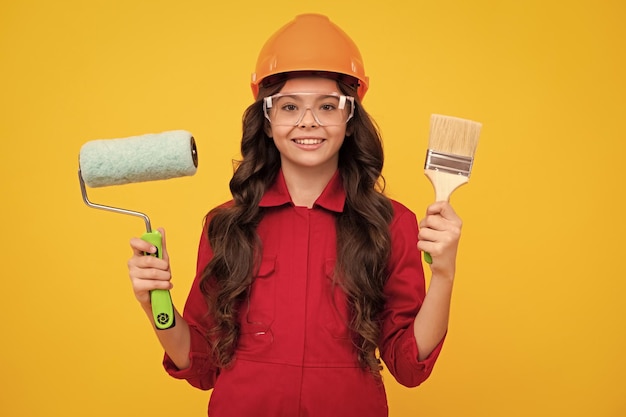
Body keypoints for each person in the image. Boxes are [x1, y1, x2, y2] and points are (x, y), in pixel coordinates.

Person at [127, 13, 462, 417]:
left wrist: (444, 274)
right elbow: (201, 366)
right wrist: (153, 305)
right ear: (267, 122)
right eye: (289, 106)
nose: (308, 122)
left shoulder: (391, 224)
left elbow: (409, 365)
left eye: (327, 106)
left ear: (350, 118)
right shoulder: (227, 224)